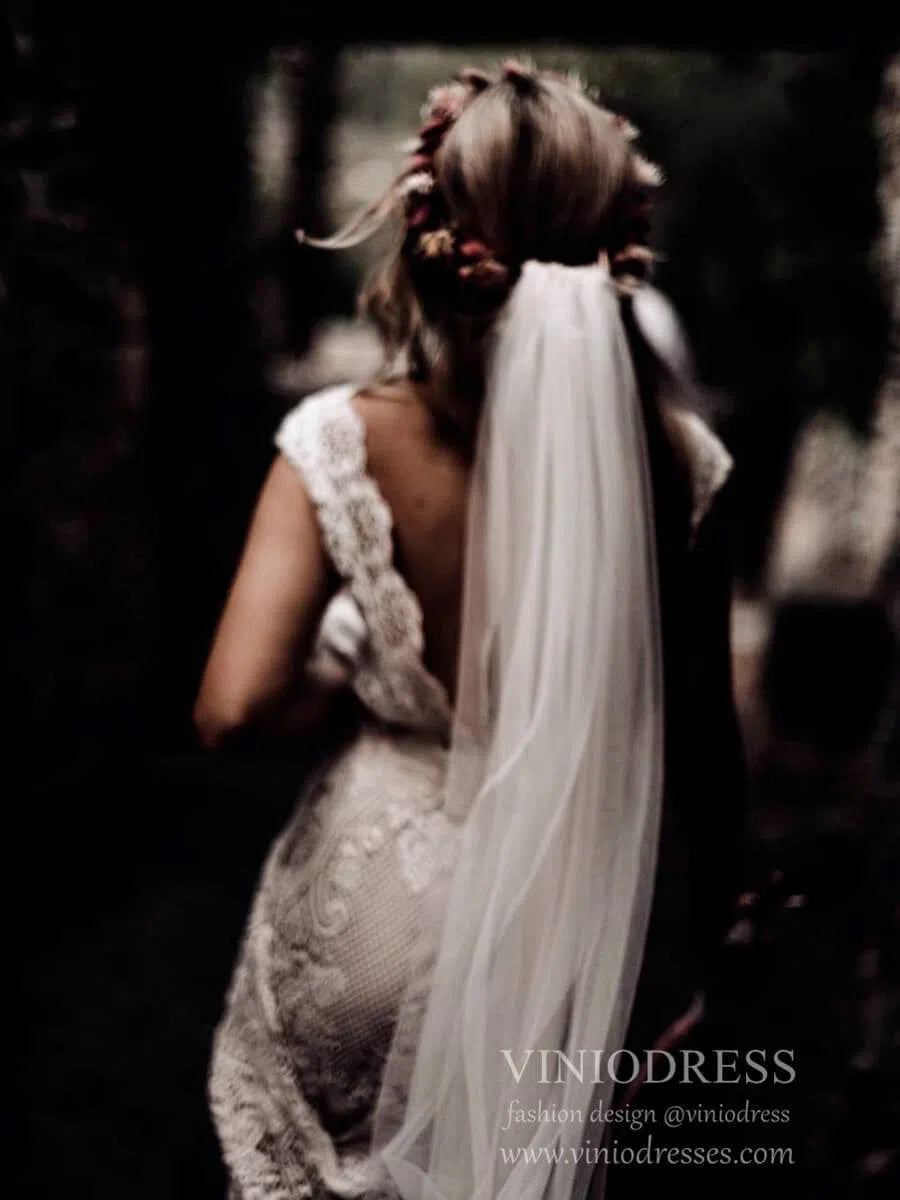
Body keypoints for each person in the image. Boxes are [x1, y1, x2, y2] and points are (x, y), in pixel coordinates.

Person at [194, 61, 744, 1200]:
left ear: (427, 229)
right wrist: (722, 939)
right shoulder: (684, 469)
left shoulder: (341, 439)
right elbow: (701, 750)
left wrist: (345, 665)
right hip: (561, 947)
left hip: (364, 920)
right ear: (618, 245)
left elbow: (233, 712)